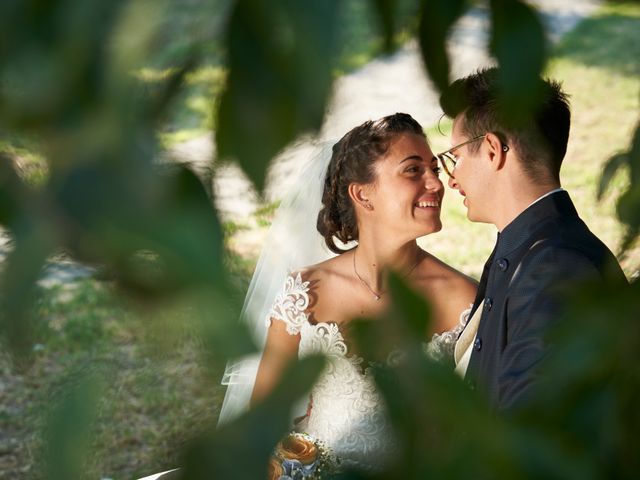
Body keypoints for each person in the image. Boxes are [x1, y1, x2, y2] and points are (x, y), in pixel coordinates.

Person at [220, 113, 477, 472]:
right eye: (413, 170)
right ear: (362, 194)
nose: (437, 183)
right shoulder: (305, 294)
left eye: (434, 168)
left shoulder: (464, 300)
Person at [434, 67, 627, 411]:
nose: (452, 179)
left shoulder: (556, 267)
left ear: (493, 149)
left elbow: (532, 435)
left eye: (456, 158)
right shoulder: (530, 247)